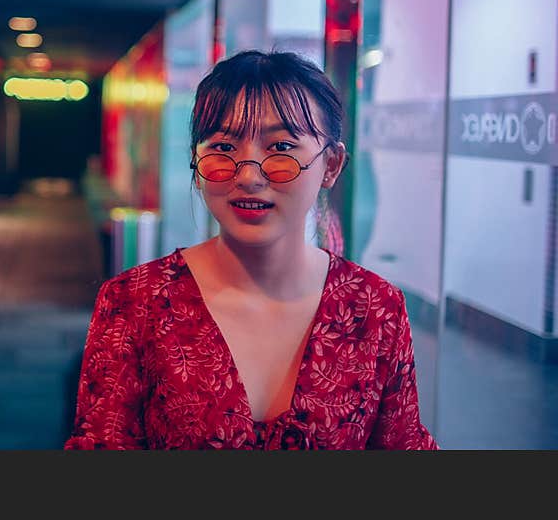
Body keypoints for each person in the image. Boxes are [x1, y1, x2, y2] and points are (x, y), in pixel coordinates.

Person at [64, 50, 437, 450]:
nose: (248, 175)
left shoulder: (374, 308)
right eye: (223, 147)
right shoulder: (135, 301)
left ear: (331, 165)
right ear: (195, 158)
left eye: (280, 147)